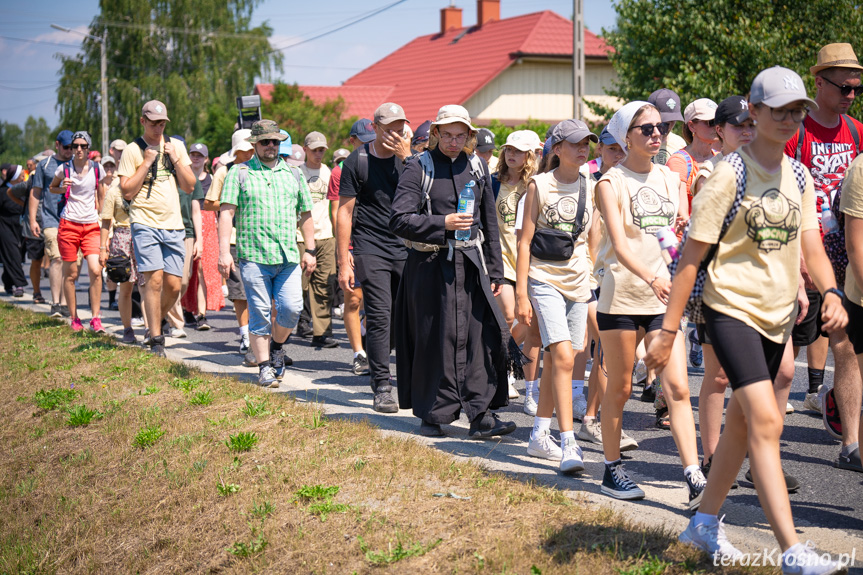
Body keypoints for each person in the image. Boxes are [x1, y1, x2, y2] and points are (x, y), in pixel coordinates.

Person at [647, 66, 849, 574]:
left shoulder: (799, 176)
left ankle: (704, 522)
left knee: (740, 425)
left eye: (796, 111)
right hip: (729, 310)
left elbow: (811, 247)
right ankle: (793, 552)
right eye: (777, 110)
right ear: (753, 114)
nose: (788, 119)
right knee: (765, 419)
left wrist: (827, 290)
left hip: (776, 314)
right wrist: (668, 331)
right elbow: (690, 259)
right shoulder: (727, 175)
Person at [595, 101, 703, 507]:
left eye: (659, 127)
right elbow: (620, 247)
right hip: (622, 296)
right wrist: (652, 276)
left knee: (676, 387)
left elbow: (670, 234)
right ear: (627, 138)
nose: (657, 133)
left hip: (663, 298)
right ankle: (611, 468)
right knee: (620, 388)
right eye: (646, 129)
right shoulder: (610, 182)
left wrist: (677, 271)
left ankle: (693, 474)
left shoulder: (666, 176)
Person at [390, 104, 516, 439]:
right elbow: (399, 219)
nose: (453, 141)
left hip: (472, 265)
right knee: (437, 339)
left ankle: (481, 415)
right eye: (447, 135)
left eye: (461, 135)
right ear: (435, 134)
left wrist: (495, 272)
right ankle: (433, 414)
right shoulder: (418, 167)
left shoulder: (477, 166)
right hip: (430, 268)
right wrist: (441, 224)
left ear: (470, 136)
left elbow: (489, 222)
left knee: (481, 337)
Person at [784, 43, 863, 470]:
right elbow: (788, 193)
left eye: (857, 88)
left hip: (852, 249)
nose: (851, 94)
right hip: (809, 249)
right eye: (844, 86)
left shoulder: (857, 131)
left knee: (846, 342)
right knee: (808, 335)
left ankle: (850, 439)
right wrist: (796, 256)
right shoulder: (798, 132)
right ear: (819, 83)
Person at [515, 119, 597, 472]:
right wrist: (521, 292)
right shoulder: (539, 185)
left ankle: (538, 435)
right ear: (557, 148)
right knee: (563, 357)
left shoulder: (591, 186)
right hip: (543, 278)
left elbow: (592, 238)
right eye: (576, 143)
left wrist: (595, 280)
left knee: (562, 358)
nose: (583, 149)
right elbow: (524, 241)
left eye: (587, 144)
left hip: (579, 283)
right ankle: (569, 443)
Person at [218, 119, 316, 387]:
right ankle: (264, 367)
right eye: (265, 142)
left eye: (275, 141)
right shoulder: (239, 173)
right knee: (260, 311)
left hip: (287, 258)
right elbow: (226, 213)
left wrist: (310, 249)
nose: (271, 146)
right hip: (253, 256)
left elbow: (306, 213)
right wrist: (224, 252)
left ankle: (276, 348)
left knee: (291, 308)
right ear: (255, 145)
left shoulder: (294, 174)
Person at [688, 95, 756, 479]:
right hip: (717, 286)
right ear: (719, 130)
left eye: (752, 125)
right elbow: (704, 238)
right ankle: (713, 458)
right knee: (717, 376)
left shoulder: (769, 168)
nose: (746, 132)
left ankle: (758, 459)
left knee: (769, 377)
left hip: (761, 286)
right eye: (738, 126)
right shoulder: (708, 173)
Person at [338, 103, 412, 413]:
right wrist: (345, 259)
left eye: (400, 127)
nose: (396, 134)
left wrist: (407, 159)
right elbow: (344, 211)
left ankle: (378, 350)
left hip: (406, 245)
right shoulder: (358, 161)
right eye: (389, 128)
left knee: (402, 318)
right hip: (370, 246)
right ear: (376, 128)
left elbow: (424, 194)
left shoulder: (411, 160)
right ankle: (382, 384)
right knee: (380, 313)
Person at [118, 100, 196, 356]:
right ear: (143, 121)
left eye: (162, 123)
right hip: (145, 222)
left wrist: (174, 158)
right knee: (154, 282)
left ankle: (154, 322)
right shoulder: (133, 150)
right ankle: (156, 338)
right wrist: (146, 162)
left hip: (173, 225)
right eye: (153, 123)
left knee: (175, 286)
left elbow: (189, 186)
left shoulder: (177, 146)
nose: (158, 128)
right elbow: (127, 191)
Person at [494, 130, 541, 400]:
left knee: (527, 321)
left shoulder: (536, 185)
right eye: (509, 150)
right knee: (510, 314)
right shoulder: (493, 182)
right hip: (501, 260)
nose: (512, 155)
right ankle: (503, 368)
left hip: (529, 261)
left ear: (530, 156)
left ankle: (503, 363)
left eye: (519, 151)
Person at [328, 119, 374, 376]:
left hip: (378, 243)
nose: (366, 146)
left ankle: (368, 341)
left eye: (371, 141)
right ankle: (358, 353)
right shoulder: (340, 171)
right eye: (362, 142)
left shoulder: (382, 164)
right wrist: (343, 251)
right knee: (354, 299)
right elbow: (339, 214)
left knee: (379, 302)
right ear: (352, 141)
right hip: (353, 242)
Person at [48, 131, 106, 332]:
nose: (78, 150)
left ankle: (96, 317)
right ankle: (74, 318)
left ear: (88, 148)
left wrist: (104, 218)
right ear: (71, 149)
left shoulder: (98, 169)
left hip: (91, 225)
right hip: (69, 224)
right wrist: (62, 188)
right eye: (75, 146)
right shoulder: (63, 169)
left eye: (82, 146)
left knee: (96, 270)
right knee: (71, 274)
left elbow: (102, 194)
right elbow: (52, 188)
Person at [203, 129, 254, 358]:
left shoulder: (261, 168)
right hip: (233, 238)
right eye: (243, 150)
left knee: (261, 292)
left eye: (251, 148)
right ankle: (244, 335)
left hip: (258, 237)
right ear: (235, 151)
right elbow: (209, 202)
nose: (248, 153)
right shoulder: (226, 170)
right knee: (240, 291)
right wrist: (231, 205)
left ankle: (263, 337)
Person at [30, 130, 74, 317]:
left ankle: (65, 304)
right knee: (56, 258)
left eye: (72, 147)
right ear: (57, 145)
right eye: (66, 147)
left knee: (69, 261)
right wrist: (32, 219)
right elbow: (36, 192)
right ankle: (56, 303)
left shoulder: (77, 163)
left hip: (73, 218)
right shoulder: (45, 165)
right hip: (51, 218)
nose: (69, 151)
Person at [299, 131, 337, 348]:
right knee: (299, 286)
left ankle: (321, 332)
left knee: (325, 285)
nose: (318, 153)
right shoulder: (296, 173)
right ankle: (283, 332)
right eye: (314, 149)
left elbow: (334, 204)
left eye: (322, 149)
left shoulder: (328, 172)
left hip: (326, 235)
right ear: (305, 150)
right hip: (301, 236)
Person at [100, 154, 142, 344]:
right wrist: (103, 248)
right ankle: (127, 329)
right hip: (122, 238)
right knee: (125, 288)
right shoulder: (114, 191)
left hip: (143, 235)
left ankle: (152, 329)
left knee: (147, 286)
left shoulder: (145, 187)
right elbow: (106, 222)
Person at [181, 142, 223, 328]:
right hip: (187, 222)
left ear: (206, 159)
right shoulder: (184, 177)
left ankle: (201, 313)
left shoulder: (211, 179)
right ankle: (186, 308)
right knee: (187, 271)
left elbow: (219, 206)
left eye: (200, 155)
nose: (196, 157)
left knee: (204, 270)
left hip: (207, 223)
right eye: (193, 154)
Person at [6, 168, 45, 302]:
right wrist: (25, 206)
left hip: (54, 225)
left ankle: (60, 298)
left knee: (58, 260)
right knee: (36, 260)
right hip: (35, 227)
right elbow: (11, 192)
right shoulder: (31, 181)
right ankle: (37, 292)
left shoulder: (61, 179)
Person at [0, 165, 27, 298]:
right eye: (21, 175)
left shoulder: (22, 191)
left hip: (20, 227)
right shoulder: (3, 191)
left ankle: (8, 282)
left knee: (14, 256)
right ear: (15, 177)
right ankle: (19, 285)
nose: (23, 177)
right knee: (13, 254)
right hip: (4, 227)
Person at [648, 88, 687, 166]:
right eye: (665, 120)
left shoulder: (679, 143)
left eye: (673, 119)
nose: (670, 125)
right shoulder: (639, 141)